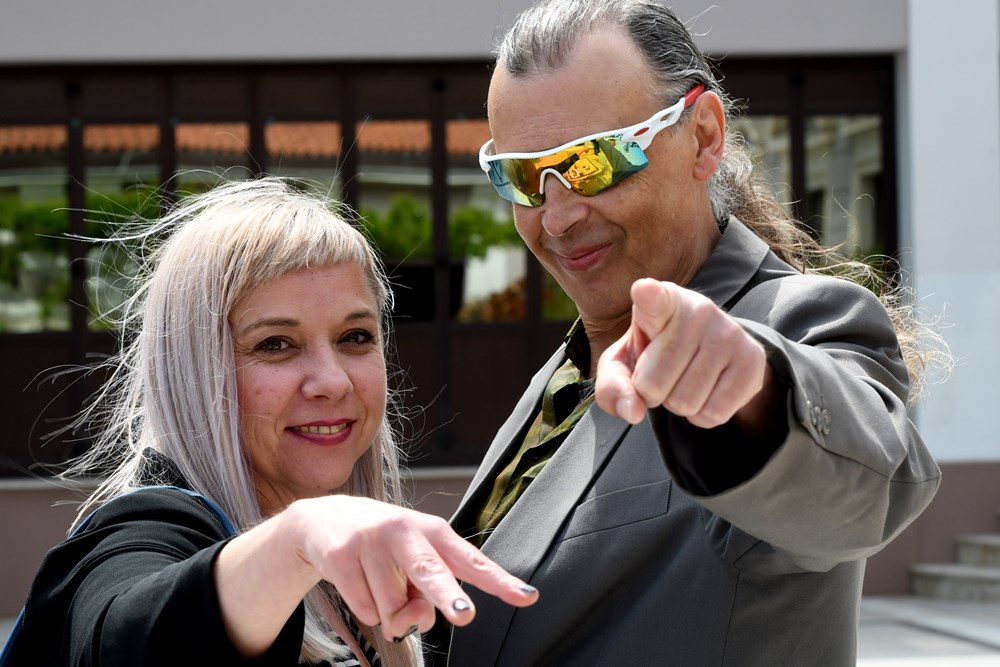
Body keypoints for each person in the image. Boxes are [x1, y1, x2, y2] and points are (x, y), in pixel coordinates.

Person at [438, 0, 948, 665]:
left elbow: (871, 487)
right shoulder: (564, 373)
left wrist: (753, 389)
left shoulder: (788, 322)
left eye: (594, 162)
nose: (556, 217)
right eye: (522, 177)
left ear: (704, 137)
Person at [2, 178, 537, 667]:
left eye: (355, 337)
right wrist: (296, 539)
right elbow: (121, 639)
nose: (332, 381)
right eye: (275, 344)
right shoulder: (147, 528)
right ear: (193, 370)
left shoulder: (349, 572)